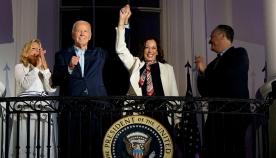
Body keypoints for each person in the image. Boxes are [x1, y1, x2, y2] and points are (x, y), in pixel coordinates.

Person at [116, 5, 179, 158]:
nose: (150, 51)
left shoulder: (167, 69)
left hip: (162, 115)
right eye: (147, 48)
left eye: (153, 48)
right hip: (140, 114)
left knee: (161, 152)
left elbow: (174, 94)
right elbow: (121, 50)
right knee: (141, 153)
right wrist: (121, 22)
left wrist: (177, 119)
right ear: (143, 50)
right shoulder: (136, 65)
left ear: (158, 51)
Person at [52, 20, 109, 158]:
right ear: (73, 34)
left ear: (90, 36)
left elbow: (121, 47)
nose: (82, 33)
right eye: (79, 31)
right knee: (73, 148)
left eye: (85, 31)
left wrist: (123, 24)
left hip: (97, 107)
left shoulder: (99, 53)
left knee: (96, 148)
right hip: (72, 109)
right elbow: (55, 80)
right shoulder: (62, 54)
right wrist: (69, 68)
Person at [195, 25, 250, 158]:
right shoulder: (214, 63)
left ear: (222, 36)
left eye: (212, 37)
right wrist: (202, 73)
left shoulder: (239, 54)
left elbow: (228, 78)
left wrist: (205, 71)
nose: (210, 41)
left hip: (233, 117)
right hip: (216, 117)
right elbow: (205, 90)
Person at [11, 39, 57, 157]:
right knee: (27, 140)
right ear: (25, 53)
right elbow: (25, 84)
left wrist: (45, 66)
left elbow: (51, 89)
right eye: (33, 49)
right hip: (26, 110)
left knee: (43, 142)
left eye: (39, 49)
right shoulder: (19, 67)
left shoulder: (42, 71)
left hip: (43, 110)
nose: (37, 51)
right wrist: (36, 68)